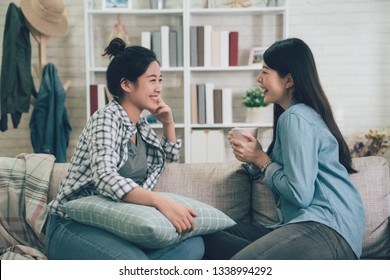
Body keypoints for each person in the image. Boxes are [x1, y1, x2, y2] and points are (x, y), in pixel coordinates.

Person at [203, 38, 365, 260]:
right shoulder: (295, 116)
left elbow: (300, 194)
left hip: (328, 228)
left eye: (265, 71)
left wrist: (261, 159)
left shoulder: (295, 118)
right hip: (305, 226)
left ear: (288, 80)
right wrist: (253, 158)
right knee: (208, 236)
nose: (259, 79)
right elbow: (283, 170)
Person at [45, 38, 204, 260]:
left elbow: (165, 163)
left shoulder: (140, 126)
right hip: (73, 224)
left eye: (160, 80)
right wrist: (159, 201)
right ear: (127, 85)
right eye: (151, 80)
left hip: (116, 223)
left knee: (194, 245)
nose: (158, 88)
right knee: (133, 263)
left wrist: (168, 124)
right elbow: (105, 176)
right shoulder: (105, 119)